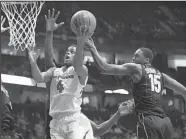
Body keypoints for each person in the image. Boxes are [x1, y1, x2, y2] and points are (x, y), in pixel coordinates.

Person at [29, 9, 134, 139]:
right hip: (55, 119)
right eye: (67, 51)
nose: (68, 53)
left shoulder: (81, 71)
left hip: (70, 119)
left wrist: (80, 40)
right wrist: (49, 33)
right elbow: (46, 66)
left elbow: (99, 131)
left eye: (72, 52)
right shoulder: (54, 71)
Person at [85, 38, 186, 139]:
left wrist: (92, 48)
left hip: (149, 121)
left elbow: (104, 68)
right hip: (165, 123)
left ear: (146, 60)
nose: (133, 58)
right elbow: (185, 92)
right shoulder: (162, 76)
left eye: (136, 56)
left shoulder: (136, 68)